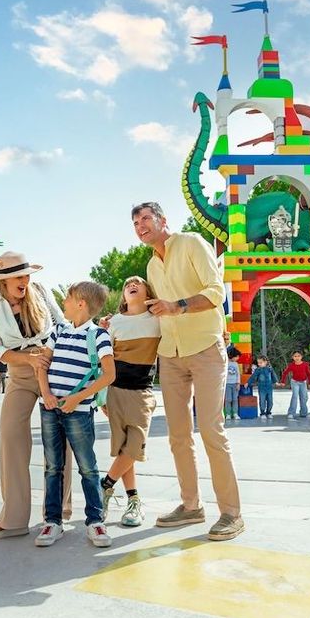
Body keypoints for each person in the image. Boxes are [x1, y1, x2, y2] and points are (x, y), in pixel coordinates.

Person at [132, 202, 243, 541]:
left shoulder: (192, 242)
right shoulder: (151, 266)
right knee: (178, 435)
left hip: (206, 347)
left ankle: (232, 513)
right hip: (170, 354)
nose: (140, 225)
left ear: (163, 220)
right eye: (135, 222)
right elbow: (158, 311)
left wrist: (177, 306)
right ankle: (191, 506)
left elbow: (215, 292)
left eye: (145, 218)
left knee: (211, 430)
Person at [0, 251, 69, 540]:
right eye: (19, 276)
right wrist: (28, 359)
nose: (25, 281)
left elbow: (62, 324)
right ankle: (14, 519)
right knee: (11, 434)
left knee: (61, 436)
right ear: (4, 281)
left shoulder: (40, 291)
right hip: (19, 369)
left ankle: (57, 514)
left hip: (53, 364)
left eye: (27, 275)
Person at [34, 282, 115, 548]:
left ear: (81, 303)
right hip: (49, 409)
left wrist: (77, 398)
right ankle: (52, 521)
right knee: (52, 467)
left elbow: (109, 375)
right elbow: (43, 365)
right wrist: (46, 394)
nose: (63, 303)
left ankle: (95, 521)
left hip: (78, 412)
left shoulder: (98, 335)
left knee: (88, 467)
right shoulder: (59, 331)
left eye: (67, 298)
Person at [100, 276, 161, 528]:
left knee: (134, 446)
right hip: (115, 391)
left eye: (138, 283)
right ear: (123, 296)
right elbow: (102, 361)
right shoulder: (113, 322)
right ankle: (133, 501)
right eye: (127, 285)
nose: (132, 285)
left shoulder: (158, 319)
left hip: (142, 392)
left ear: (148, 292)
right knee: (125, 449)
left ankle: (105, 485)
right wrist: (101, 396)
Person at [281, 351, 310, 419]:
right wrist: (283, 381)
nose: (297, 357)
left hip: (303, 382)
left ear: (301, 357)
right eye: (295, 356)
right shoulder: (291, 365)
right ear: (293, 357)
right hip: (295, 382)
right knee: (295, 396)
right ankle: (291, 413)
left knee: (304, 397)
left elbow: (308, 374)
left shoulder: (305, 364)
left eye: (298, 356)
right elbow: (285, 373)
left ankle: (304, 413)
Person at [224, 347, 241, 421]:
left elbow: (238, 374)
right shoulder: (225, 363)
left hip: (235, 384)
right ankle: (228, 414)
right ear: (232, 356)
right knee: (228, 399)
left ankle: (235, 413)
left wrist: (238, 383)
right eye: (237, 356)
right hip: (227, 384)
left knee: (235, 399)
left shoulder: (236, 364)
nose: (238, 358)